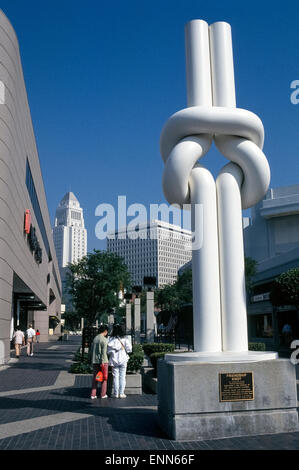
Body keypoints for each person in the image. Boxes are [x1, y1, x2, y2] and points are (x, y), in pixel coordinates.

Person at [107, 324, 132, 398]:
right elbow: (129, 350)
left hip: (114, 360)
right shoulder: (125, 339)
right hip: (123, 360)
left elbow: (108, 352)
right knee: (122, 377)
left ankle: (115, 393)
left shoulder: (111, 340)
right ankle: (121, 393)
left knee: (115, 377)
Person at [89, 324, 109, 400]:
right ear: (106, 331)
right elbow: (104, 352)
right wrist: (103, 362)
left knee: (96, 378)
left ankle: (93, 394)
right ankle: (103, 394)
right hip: (103, 361)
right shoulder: (104, 339)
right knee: (104, 378)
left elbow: (91, 351)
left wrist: (90, 360)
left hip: (95, 361)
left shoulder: (95, 338)